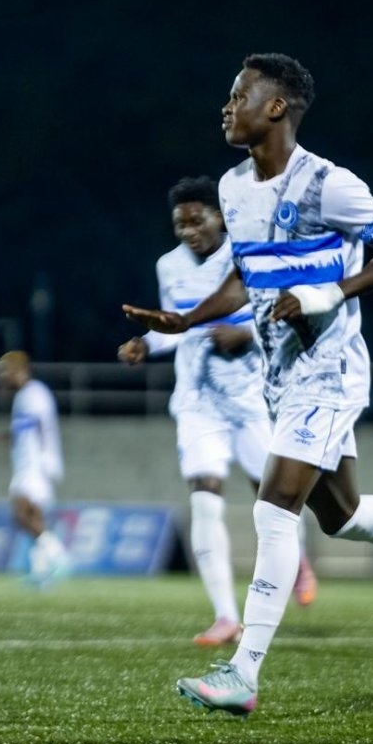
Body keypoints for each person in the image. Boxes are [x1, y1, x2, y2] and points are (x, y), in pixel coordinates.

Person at [123, 52, 373, 717]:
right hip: (280, 375)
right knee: (342, 515)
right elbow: (245, 275)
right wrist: (187, 319)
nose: (226, 105)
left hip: (329, 370)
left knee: (274, 506)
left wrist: (329, 292)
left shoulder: (329, 184)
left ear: (276, 106)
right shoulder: (233, 188)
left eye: (238, 94)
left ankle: (243, 674)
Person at [118, 174, 317, 647]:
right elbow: (177, 329)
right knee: (204, 498)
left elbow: (282, 318)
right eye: (179, 223)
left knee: (274, 501)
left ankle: (299, 563)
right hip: (197, 403)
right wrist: (145, 344)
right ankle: (226, 616)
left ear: (220, 218)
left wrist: (244, 335)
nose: (187, 230)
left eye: (195, 220)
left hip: (252, 401)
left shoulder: (248, 257)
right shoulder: (169, 266)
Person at [0, 350, 70, 587]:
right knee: (32, 517)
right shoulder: (27, 394)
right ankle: (41, 571)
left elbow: (36, 422)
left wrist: (11, 433)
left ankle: (58, 555)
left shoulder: (33, 392)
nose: (3, 378)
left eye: (6, 372)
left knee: (21, 512)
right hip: (30, 462)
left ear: (19, 370)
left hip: (35, 462)